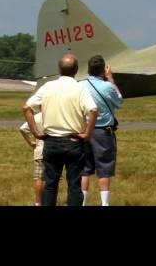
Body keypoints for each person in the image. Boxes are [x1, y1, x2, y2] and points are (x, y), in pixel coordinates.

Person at [23, 53, 98, 206]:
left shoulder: (48, 87)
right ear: (76, 70)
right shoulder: (79, 88)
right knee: (74, 186)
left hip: (51, 141)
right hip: (73, 140)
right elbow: (93, 110)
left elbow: (27, 108)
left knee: (50, 184)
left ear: (59, 69)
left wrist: (36, 132)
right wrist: (87, 134)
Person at [81, 55, 123, 206]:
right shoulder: (108, 86)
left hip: (84, 131)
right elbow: (119, 102)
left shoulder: (80, 85)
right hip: (103, 132)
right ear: (103, 70)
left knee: (84, 169)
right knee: (104, 169)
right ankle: (105, 204)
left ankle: (82, 203)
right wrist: (110, 79)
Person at [19, 112, 45, 206]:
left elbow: (23, 129)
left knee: (39, 177)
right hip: (55, 149)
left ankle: (38, 202)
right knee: (51, 178)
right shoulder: (56, 114)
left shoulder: (37, 117)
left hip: (40, 150)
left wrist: (30, 142)